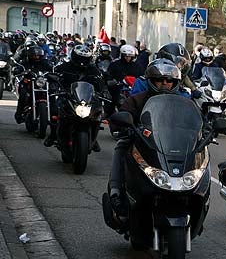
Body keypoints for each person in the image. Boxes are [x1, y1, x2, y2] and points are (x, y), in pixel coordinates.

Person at [107, 60, 186, 222]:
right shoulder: (137, 100)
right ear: (151, 80)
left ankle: (197, 199)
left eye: (169, 80)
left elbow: (196, 120)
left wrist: (205, 130)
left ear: (175, 82)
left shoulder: (183, 102)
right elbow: (120, 117)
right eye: (159, 79)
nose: (165, 83)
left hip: (172, 146)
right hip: (142, 144)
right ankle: (116, 193)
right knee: (121, 146)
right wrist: (125, 128)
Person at [47, 45, 107, 151]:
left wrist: (104, 90)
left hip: (87, 98)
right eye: (80, 58)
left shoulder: (93, 69)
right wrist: (54, 83)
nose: (82, 61)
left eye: (85, 58)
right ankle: (53, 135)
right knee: (55, 111)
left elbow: (101, 81)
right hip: (68, 96)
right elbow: (54, 75)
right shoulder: (65, 66)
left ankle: (93, 138)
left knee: (97, 114)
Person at [11, 44, 52, 124]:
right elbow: (19, 67)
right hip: (28, 82)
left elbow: (51, 67)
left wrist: (54, 71)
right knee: (23, 95)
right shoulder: (26, 62)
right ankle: (19, 114)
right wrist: (18, 70)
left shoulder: (44, 62)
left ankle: (53, 117)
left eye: (38, 55)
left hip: (41, 83)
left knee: (53, 94)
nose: (36, 57)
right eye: (34, 56)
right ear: (30, 55)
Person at [105, 44, 143, 110]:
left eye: (130, 56)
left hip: (133, 90)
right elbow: (108, 75)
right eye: (125, 56)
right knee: (110, 104)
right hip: (117, 89)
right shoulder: (115, 64)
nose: (127, 58)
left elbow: (141, 77)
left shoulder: (137, 66)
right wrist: (111, 81)